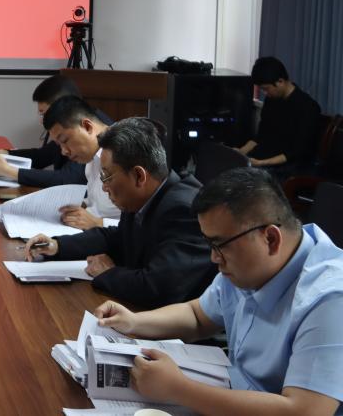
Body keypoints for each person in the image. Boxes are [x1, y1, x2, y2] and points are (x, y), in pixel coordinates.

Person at [94, 167, 343, 415]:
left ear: (270, 239)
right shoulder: (249, 263)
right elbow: (197, 316)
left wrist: (179, 389)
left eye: (219, 245)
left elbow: (305, 411)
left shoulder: (330, 298)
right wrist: (134, 321)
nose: (214, 258)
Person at [26, 117, 216, 309]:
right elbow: (115, 237)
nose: (104, 187)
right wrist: (57, 246)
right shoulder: (143, 198)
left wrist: (107, 273)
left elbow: (158, 288)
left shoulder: (185, 210)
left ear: (139, 176)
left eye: (106, 176)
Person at [0, 75, 112, 189]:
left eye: (44, 113)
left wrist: (9, 171)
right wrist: (4, 153)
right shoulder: (72, 131)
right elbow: (42, 156)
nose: (64, 151)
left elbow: (68, 179)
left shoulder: (100, 140)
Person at [31, 95, 120, 229]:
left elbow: (144, 226)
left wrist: (97, 223)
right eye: (59, 145)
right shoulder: (92, 156)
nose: (64, 152)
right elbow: (95, 204)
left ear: (87, 127)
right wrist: (78, 207)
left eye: (65, 141)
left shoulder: (127, 154)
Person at [236, 56, 321, 178]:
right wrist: (240, 152)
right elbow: (260, 137)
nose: (265, 93)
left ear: (280, 81)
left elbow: (297, 152)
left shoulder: (308, 107)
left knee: (243, 177)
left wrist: (260, 163)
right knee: (229, 166)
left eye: (266, 89)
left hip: (289, 166)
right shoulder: (272, 100)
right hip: (265, 159)